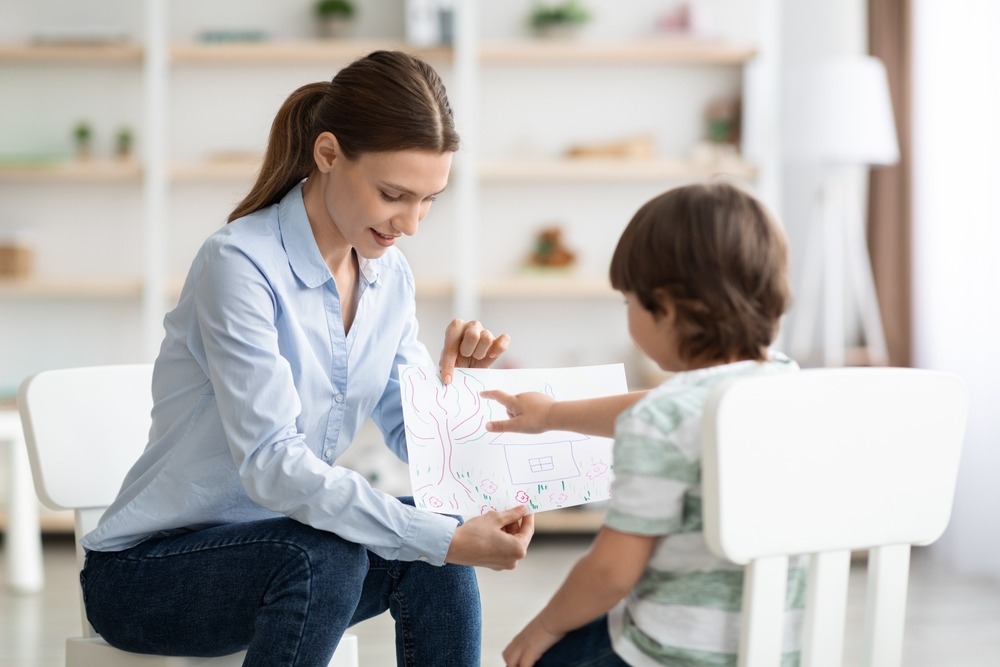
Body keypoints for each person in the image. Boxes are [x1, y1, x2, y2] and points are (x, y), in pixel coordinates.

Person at [79, 50, 534, 667]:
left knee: (429, 552)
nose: (412, 223)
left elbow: (416, 438)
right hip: (150, 576)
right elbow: (272, 465)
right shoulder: (238, 265)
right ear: (327, 154)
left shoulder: (388, 275)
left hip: (288, 555)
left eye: (429, 200)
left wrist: (457, 395)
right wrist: (444, 537)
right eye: (393, 194)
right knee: (346, 551)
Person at [482, 181, 805, 666]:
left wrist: (544, 625)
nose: (627, 314)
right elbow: (666, 407)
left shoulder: (662, 421)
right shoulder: (781, 382)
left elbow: (611, 573)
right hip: (777, 646)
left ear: (667, 310)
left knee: (543, 656)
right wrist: (550, 416)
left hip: (672, 652)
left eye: (628, 302)